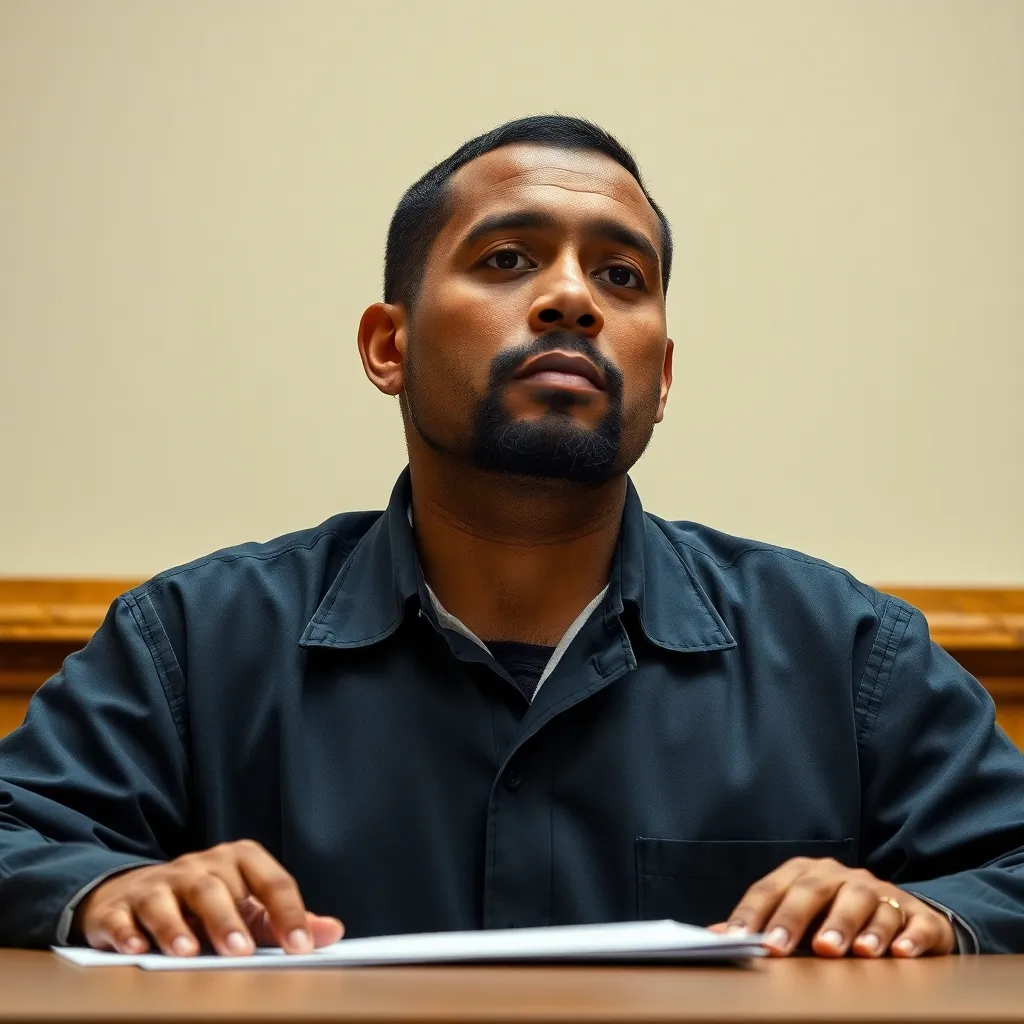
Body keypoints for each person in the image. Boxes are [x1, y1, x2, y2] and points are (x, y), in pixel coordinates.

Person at [1, 115, 1022, 960]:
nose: (573, 298)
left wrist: (928, 913)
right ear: (389, 344)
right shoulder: (195, 641)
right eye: (506, 259)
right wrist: (107, 889)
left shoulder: (842, 650)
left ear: (662, 376)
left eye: (622, 277)